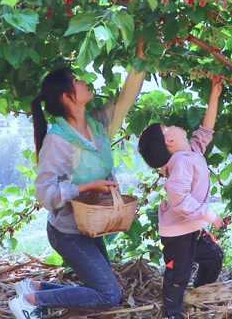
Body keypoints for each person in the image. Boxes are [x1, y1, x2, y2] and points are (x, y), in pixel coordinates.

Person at [8, 42, 146, 319]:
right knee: (109, 295)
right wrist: (86, 187)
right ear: (67, 96)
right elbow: (45, 195)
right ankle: (32, 300)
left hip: (91, 228)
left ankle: (33, 287)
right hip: (67, 232)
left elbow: (126, 98)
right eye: (76, 81)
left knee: (102, 287)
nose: (84, 82)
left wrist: (141, 56)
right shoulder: (58, 141)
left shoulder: (97, 126)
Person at [137, 76, 227, 319]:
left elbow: (206, 130)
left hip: (192, 228)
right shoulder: (179, 166)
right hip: (178, 234)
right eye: (166, 128)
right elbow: (180, 201)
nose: (172, 126)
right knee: (178, 275)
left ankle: (200, 293)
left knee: (213, 256)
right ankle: (172, 312)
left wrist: (214, 96)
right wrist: (209, 215)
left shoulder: (192, 152)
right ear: (170, 141)